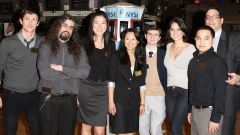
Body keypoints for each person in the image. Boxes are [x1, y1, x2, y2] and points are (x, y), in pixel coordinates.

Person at [37, 14, 90, 135]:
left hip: (70, 101)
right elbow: (44, 73)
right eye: (65, 25)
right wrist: (73, 73)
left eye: (71, 27)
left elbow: (85, 72)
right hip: (48, 99)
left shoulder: (79, 49)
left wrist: (62, 68)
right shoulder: (45, 46)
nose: (68, 29)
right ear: (57, 26)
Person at [0, 7, 42, 135]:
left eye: (34, 19)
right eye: (27, 19)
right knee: (10, 131)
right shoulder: (7, 42)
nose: (30, 22)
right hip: (11, 96)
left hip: (34, 95)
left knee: (38, 130)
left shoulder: (43, 42)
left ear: (38, 22)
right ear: (20, 21)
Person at [77, 10, 115, 135]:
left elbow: (112, 72)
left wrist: (111, 99)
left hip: (103, 91)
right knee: (86, 126)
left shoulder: (111, 44)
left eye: (103, 23)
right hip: (85, 88)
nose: (99, 26)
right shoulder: (83, 42)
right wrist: (76, 94)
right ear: (91, 25)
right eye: (96, 23)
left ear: (107, 25)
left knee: (100, 129)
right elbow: (77, 69)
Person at [205, 8, 240, 135]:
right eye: (208, 17)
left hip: (227, 96)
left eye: (214, 17)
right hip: (205, 100)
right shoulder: (201, 40)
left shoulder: (234, 38)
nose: (211, 20)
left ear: (221, 20)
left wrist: (239, 77)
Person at [188, 25, 227, 135]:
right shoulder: (193, 61)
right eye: (198, 38)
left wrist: (215, 118)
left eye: (206, 38)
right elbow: (192, 87)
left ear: (212, 40)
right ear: (195, 39)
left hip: (209, 113)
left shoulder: (217, 61)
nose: (202, 41)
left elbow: (221, 91)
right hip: (195, 111)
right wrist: (190, 110)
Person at [108, 28, 146, 135]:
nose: (130, 42)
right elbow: (111, 81)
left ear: (138, 41)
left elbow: (142, 83)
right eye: (127, 39)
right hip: (119, 101)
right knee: (121, 132)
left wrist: (142, 103)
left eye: (133, 39)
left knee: (131, 132)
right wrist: (111, 102)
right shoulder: (116, 56)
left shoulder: (140, 58)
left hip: (134, 101)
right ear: (123, 40)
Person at [164, 17, 196, 135]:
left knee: (175, 126)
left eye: (178, 29)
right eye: (172, 29)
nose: (175, 32)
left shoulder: (191, 48)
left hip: (184, 92)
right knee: (174, 127)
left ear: (183, 31)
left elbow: (195, 75)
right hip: (169, 91)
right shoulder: (168, 47)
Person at [139, 25, 167, 135]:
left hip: (159, 95)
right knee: (142, 128)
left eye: (156, 35)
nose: (152, 37)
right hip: (143, 96)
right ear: (145, 36)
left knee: (156, 129)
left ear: (159, 38)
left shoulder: (164, 54)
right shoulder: (139, 52)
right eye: (150, 34)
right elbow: (136, 72)